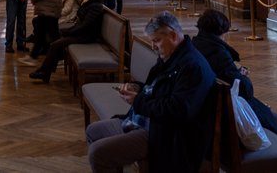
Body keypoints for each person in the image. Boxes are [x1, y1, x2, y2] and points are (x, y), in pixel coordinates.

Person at [84, 11, 216, 173]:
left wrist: (138, 101)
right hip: (145, 120)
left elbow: (178, 110)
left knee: (98, 153)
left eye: (156, 41)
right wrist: (138, 87)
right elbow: (158, 89)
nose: (153, 47)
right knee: (93, 131)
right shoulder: (171, 55)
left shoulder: (192, 66)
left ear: (173, 35)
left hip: (164, 134)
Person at [193, 9, 277, 144]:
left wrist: (236, 72)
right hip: (230, 112)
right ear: (221, 32)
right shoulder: (218, 52)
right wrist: (243, 77)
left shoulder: (196, 46)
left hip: (211, 108)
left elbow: (224, 74)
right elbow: (245, 90)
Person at [29, 0, 107, 83]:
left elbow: (85, 26)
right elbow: (81, 23)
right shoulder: (90, 3)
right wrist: (69, 31)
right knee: (56, 41)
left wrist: (69, 32)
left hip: (86, 37)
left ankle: (44, 72)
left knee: (55, 45)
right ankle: (46, 72)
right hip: (82, 33)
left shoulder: (95, 7)